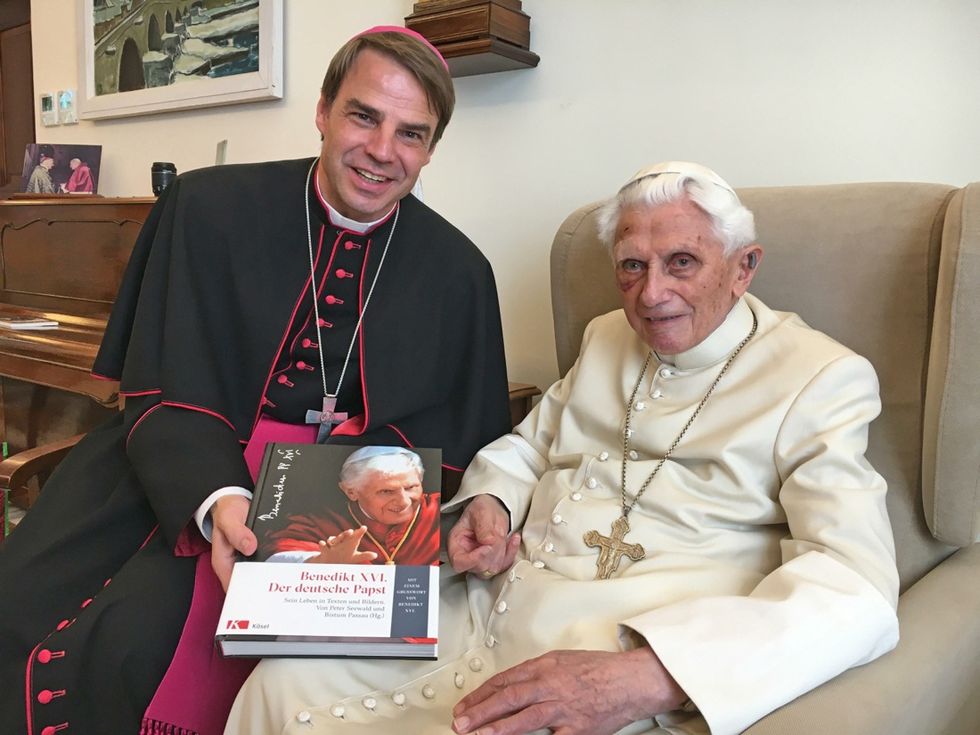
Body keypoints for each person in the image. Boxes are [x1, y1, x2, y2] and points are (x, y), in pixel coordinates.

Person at [226, 161, 900, 735]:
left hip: (611, 654)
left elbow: (856, 587)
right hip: (486, 609)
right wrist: (491, 502)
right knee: (281, 682)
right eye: (632, 266)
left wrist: (657, 676)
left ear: (743, 267)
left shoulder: (820, 376)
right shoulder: (607, 335)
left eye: (682, 263)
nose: (652, 294)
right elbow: (530, 445)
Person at [0, 26, 511, 735]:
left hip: (351, 498)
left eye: (411, 134)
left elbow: (451, 437)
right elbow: (168, 380)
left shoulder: (459, 273)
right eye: (363, 116)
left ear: (430, 149)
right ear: (324, 111)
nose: (381, 150)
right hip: (190, 462)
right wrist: (217, 499)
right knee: (74, 622)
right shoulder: (208, 208)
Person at [263, 445, 441, 566]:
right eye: (387, 491)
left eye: (411, 487)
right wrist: (320, 562)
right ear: (351, 492)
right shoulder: (322, 520)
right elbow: (277, 553)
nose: (404, 501)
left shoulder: (437, 508)